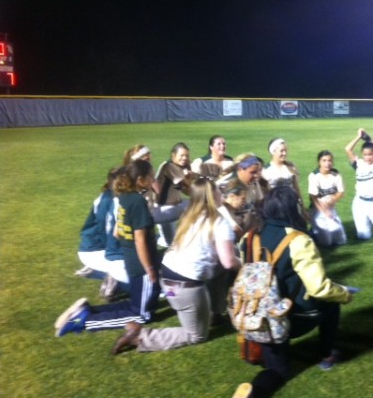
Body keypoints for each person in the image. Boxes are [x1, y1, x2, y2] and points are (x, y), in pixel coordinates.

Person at [233, 186, 353, 398]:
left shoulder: (249, 236)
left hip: (255, 315)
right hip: (292, 315)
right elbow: (319, 288)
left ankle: (251, 391)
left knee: (276, 370)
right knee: (331, 302)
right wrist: (344, 294)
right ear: (292, 209)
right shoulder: (299, 240)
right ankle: (326, 354)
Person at [111, 176, 241, 354]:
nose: (222, 193)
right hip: (185, 290)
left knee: (220, 268)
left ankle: (214, 312)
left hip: (169, 285)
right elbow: (228, 261)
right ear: (212, 195)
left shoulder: (189, 214)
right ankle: (140, 336)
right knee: (196, 335)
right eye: (219, 190)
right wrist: (244, 266)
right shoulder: (218, 222)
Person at [55, 160, 161, 336]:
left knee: (135, 304)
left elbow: (116, 233)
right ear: (141, 180)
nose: (154, 179)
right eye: (151, 176)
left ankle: (86, 311)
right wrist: (149, 268)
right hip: (141, 265)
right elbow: (140, 240)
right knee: (143, 315)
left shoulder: (124, 198)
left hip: (131, 261)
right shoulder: (138, 202)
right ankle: (84, 320)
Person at [75, 166, 128, 300]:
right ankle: (110, 282)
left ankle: (98, 267)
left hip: (93, 246)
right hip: (94, 248)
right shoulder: (109, 200)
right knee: (128, 263)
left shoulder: (109, 195)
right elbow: (105, 231)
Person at [155, 142, 194, 247]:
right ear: (173, 155)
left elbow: (186, 191)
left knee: (196, 204)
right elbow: (187, 187)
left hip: (170, 206)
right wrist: (189, 178)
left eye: (187, 155)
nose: (185, 158)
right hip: (161, 209)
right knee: (171, 244)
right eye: (182, 155)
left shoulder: (178, 167)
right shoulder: (169, 166)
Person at [308, 150, 347, 248]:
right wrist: (324, 211)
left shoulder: (336, 174)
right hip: (317, 211)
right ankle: (313, 231)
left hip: (330, 209)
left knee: (341, 240)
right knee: (327, 243)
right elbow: (313, 197)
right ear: (319, 162)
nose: (327, 163)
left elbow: (341, 192)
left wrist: (333, 200)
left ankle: (321, 230)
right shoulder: (314, 176)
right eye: (324, 160)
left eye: (329, 160)